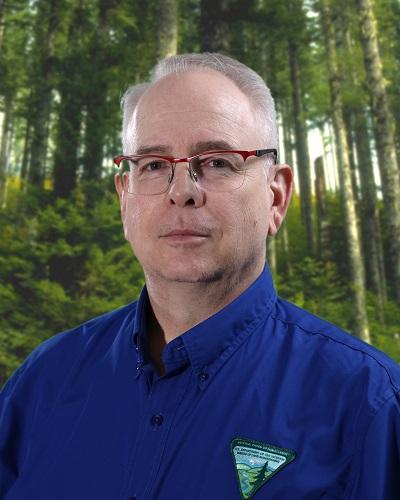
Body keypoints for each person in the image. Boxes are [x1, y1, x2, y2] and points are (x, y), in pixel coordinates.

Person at [0, 53, 399, 500]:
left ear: (276, 196)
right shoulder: (43, 382)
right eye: (153, 165)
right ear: (124, 200)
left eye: (217, 162)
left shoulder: (369, 404)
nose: (182, 191)